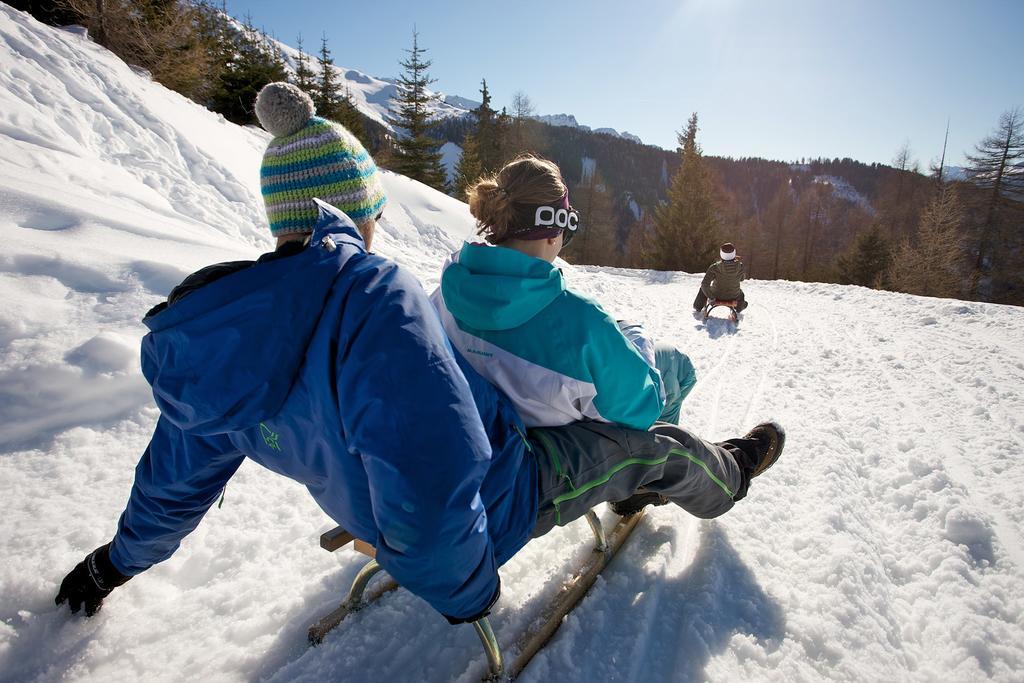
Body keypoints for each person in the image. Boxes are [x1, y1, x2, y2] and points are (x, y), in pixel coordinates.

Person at [55, 83, 785, 628]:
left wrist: (113, 561)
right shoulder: (377, 302)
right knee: (652, 446)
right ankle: (729, 474)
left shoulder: (230, 330)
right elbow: (438, 486)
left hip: (377, 505)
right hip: (499, 498)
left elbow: (174, 480)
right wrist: (466, 588)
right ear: (354, 206)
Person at [432, 154, 694, 430]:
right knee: (677, 365)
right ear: (553, 229)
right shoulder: (584, 323)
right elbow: (644, 407)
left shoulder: (445, 295)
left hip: (478, 442)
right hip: (557, 466)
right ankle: (668, 464)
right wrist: (637, 340)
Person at [693, 242, 748, 313]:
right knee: (741, 294)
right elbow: (742, 279)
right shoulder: (740, 266)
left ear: (721, 254)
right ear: (734, 253)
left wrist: (711, 297)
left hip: (716, 295)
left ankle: (698, 306)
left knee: (703, 289)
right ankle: (740, 307)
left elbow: (704, 285)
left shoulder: (714, 267)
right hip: (734, 296)